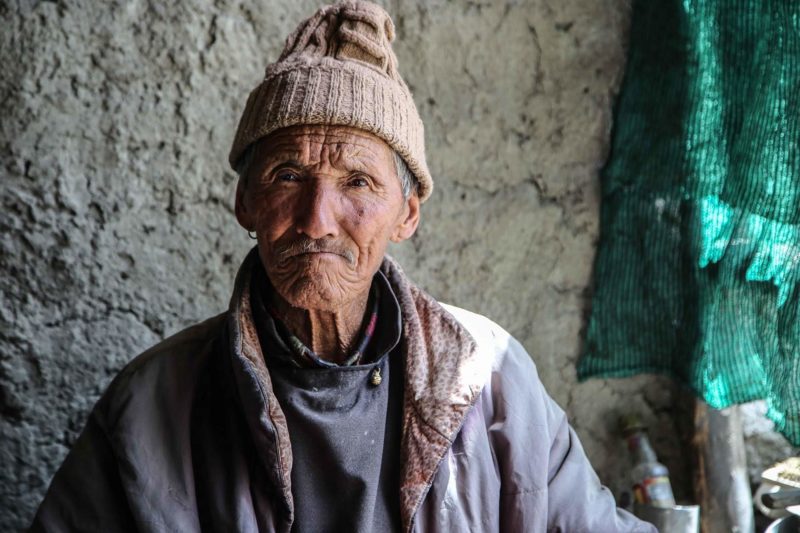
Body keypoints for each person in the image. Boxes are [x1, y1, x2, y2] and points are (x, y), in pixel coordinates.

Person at [31, 1, 655, 531]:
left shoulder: (490, 378)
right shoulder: (151, 404)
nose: (317, 218)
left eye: (357, 181)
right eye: (288, 175)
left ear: (406, 214)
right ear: (245, 201)